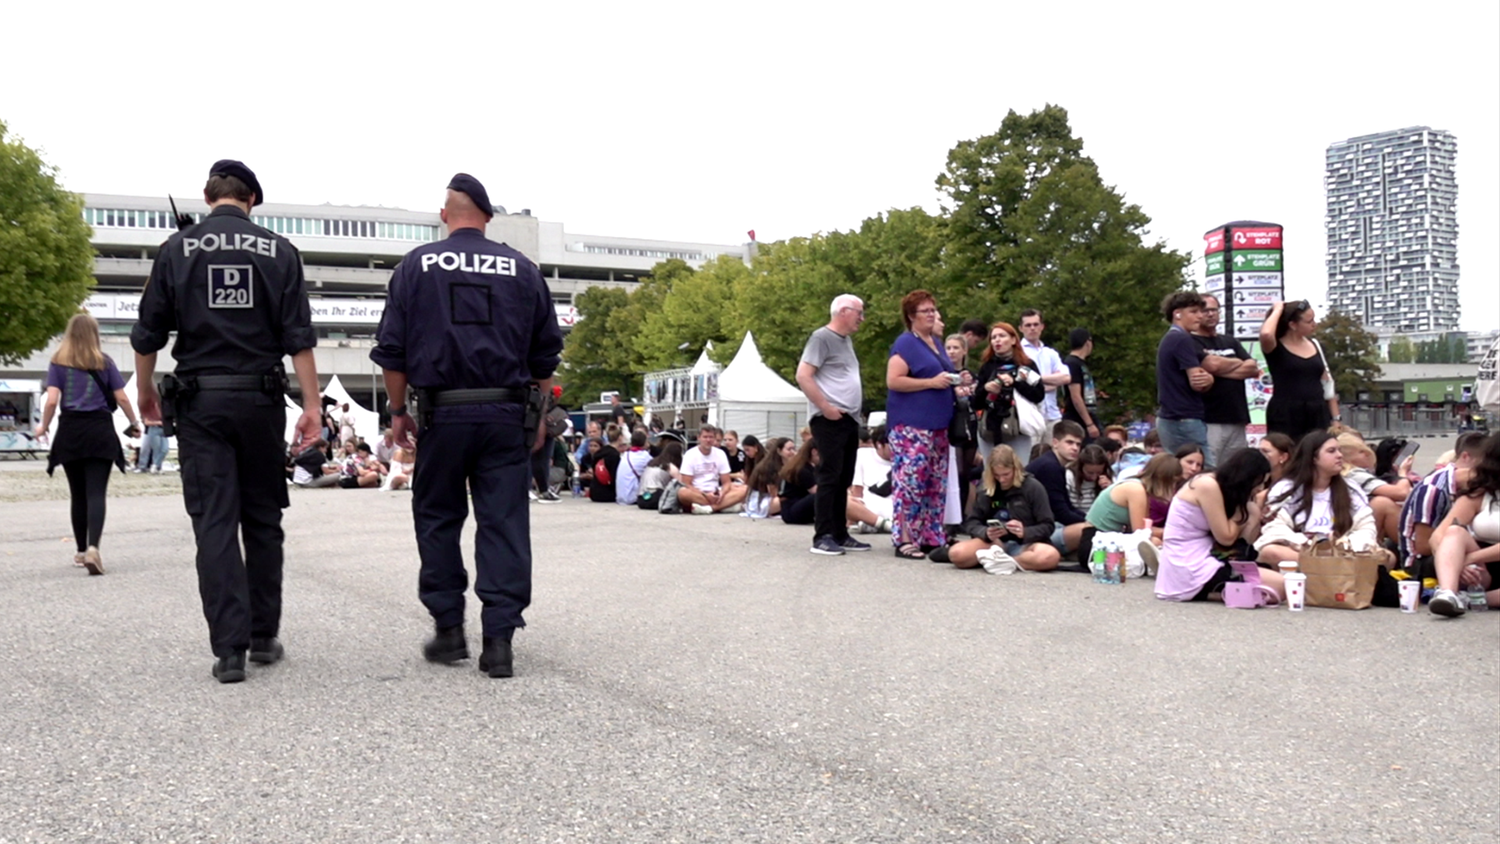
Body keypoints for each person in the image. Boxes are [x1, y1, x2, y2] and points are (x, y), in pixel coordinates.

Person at [132, 160, 322, 683]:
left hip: (201, 405)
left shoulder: (176, 251)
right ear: (252, 200)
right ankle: (263, 636)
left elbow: (146, 334)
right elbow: (298, 338)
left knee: (215, 521)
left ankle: (229, 651)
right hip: (260, 401)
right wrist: (312, 405)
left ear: (208, 195)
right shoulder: (281, 251)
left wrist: (146, 391)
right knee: (262, 519)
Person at [371, 172, 564, 679]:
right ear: (488, 217)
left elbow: (393, 352)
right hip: (505, 414)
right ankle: (498, 641)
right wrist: (539, 415)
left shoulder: (416, 266)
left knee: (438, 517)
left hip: (443, 412)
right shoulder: (522, 269)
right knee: (503, 522)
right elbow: (545, 354)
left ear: (444, 216)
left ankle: (449, 628)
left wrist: (397, 411)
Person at [37, 313, 139, 575]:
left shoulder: (58, 363)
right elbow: (123, 398)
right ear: (94, 335)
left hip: (71, 431)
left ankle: (81, 551)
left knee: (78, 494)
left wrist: (43, 425)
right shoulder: (104, 362)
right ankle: (94, 547)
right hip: (100, 430)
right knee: (96, 493)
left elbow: (51, 400)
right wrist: (134, 422)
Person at [796, 293, 869, 556]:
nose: (862, 318)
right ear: (843, 311)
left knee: (844, 476)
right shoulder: (821, 338)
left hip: (847, 418)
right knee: (830, 475)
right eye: (859, 312)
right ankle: (823, 534)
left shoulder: (845, 341)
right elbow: (803, 375)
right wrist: (825, 408)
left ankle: (839, 532)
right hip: (830, 419)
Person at [886, 290, 957, 559]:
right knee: (910, 481)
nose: (931, 315)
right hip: (911, 426)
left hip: (939, 425)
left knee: (935, 482)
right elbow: (894, 380)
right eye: (925, 311)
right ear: (911, 316)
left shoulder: (935, 343)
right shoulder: (905, 344)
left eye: (933, 310)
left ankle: (930, 535)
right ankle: (904, 537)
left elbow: (942, 376)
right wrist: (930, 382)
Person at [1155, 448, 1278, 602]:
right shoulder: (1207, 485)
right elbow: (1226, 538)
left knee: (1272, 577)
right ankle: (1222, 589)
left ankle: (1228, 585)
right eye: (1259, 482)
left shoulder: (1218, 484)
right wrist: (1242, 506)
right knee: (1278, 586)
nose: (1260, 488)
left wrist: (1254, 513)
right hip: (1190, 561)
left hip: (1207, 552)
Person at [1253, 432, 1377, 567]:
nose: (1340, 455)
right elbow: (1274, 528)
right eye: (1331, 451)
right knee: (1270, 551)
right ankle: (1328, 568)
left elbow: (1366, 528)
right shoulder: (1286, 488)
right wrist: (1310, 546)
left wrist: (1344, 545)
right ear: (1313, 458)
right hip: (1302, 551)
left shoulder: (1351, 489)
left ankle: (1330, 568)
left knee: (1388, 557)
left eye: (1339, 450)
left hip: (1344, 552)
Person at [937, 445, 1059, 572]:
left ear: (1015, 469)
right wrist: (985, 532)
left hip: (1026, 544)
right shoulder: (986, 487)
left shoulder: (1033, 487)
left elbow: (1048, 525)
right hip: (994, 544)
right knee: (957, 554)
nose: (1002, 479)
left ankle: (1007, 562)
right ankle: (1000, 560)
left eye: (1006, 474)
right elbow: (972, 522)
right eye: (997, 475)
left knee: (1050, 556)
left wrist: (1025, 532)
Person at [1428, 434, 1500, 616]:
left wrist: (1469, 558)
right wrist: (1459, 565)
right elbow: (1437, 537)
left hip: (1479, 558)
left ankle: (1472, 600)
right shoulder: (1481, 494)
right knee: (1454, 531)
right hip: (1483, 570)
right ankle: (1448, 593)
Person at [1397, 431, 1487, 574]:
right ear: (1466, 457)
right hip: (1421, 562)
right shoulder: (1434, 489)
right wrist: (1463, 559)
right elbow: (1423, 545)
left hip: (1453, 549)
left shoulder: (1468, 488)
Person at [1192, 294, 1259, 468]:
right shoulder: (1190, 341)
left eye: (1214, 310)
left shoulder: (1230, 341)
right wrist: (1236, 365)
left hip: (1237, 417)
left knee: (1235, 471)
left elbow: (1252, 368)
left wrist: (1220, 370)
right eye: (1205, 310)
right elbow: (1212, 365)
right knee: (1208, 469)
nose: (1210, 314)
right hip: (1209, 419)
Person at [1259, 300, 1340, 442]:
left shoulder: (1316, 345)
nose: (1314, 324)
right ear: (1293, 325)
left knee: (1317, 454)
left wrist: (1336, 418)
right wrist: (1278, 309)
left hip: (1317, 411)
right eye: (1309, 321)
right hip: (1286, 412)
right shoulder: (1275, 347)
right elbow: (1266, 334)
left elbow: (1327, 384)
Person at [974, 322, 1047, 462]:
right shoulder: (987, 366)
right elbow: (976, 403)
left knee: (1019, 469)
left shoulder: (1026, 365)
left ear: (1013, 340)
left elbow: (1038, 395)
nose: (997, 340)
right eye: (993, 337)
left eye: (1002, 336)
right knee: (992, 471)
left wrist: (1015, 383)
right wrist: (986, 389)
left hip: (1018, 427)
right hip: (991, 427)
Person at [1154, 291, 1214, 455]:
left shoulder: (1170, 338)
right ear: (1177, 314)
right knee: (1204, 470)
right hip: (1185, 417)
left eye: (1201, 311)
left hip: (1169, 416)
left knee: (1176, 469)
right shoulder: (1182, 339)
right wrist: (1209, 379)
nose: (1200, 316)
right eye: (1193, 312)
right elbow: (1197, 382)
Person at [1024, 420, 1090, 556]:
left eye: (1078, 444)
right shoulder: (1050, 467)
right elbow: (1060, 512)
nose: (1075, 448)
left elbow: (1066, 506)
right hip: (1030, 532)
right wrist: (1090, 522)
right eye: (1069, 442)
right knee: (1087, 530)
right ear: (1055, 443)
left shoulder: (1053, 464)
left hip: (1037, 526)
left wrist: (1090, 517)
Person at [1086, 453, 1182, 544]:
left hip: (1108, 538)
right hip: (1097, 542)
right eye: (1172, 482)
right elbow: (1141, 532)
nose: (1173, 487)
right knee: (1155, 543)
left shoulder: (1139, 486)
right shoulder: (1136, 490)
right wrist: (1174, 533)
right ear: (1162, 478)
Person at [1018, 309, 1070, 442]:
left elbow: (1066, 377)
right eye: (1028, 325)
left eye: (1036, 324)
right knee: (1031, 456)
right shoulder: (1018, 352)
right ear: (1021, 328)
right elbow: (1020, 382)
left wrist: (1038, 380)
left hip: (1052, 414)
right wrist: (1051, 382)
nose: (1032, 328)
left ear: (1042, 326)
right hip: (1030, 415)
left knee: (1055, 455)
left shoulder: (1050, 353)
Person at [676, 425, 748, 514]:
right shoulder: (690, 454)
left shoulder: (720, 454)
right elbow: (686, 483)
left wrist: (722, 493)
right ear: (699, 438)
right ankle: (723, 505)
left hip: (716, 491)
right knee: (682, 493)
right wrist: (705, 494)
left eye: (711, 437)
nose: (708, 440)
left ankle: (711, 508)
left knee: (745, 489)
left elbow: (726, 482)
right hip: (697, 492)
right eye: (705, 437)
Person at [1060, 328, 1100, 443]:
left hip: (1088, 415)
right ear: (1088, 342)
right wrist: (1089, 423)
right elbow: (1076, 396)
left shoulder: (1080, 363)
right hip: (1077, 418)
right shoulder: (1072, 363)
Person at [637, 440, 683, 511]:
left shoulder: (652, 463)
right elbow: (680, 483)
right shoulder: (670, 467)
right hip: (655, 497)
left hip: (641, 498)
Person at [615, 430, 653, 506]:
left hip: (620, 497)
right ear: (645, 442)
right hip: (631, 498)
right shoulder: (644, 456)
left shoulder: (626, 455)